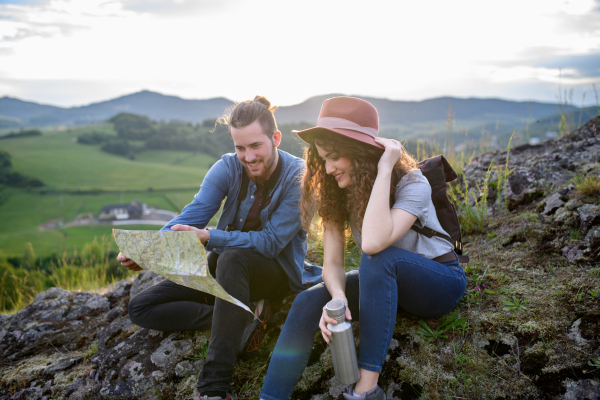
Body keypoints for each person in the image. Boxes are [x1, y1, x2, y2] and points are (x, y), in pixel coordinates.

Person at [258, 97, 467, 400]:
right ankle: (270, 397)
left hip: (439, 282)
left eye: (334, 158)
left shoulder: (413, 184)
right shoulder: (337, 193)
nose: (328, 169)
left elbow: (373, 244)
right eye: (322, 159)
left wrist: (384, 170)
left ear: (361, 153)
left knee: (377, 259)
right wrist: (339, 299)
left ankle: (365, 392)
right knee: (308, 302)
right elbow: (332, 264)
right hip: (386, 285)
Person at [117, 96, 319, 400]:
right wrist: (148, 247)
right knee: (141, 307)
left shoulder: (299, 178)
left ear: (275, 139)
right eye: (240, 148)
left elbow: (270, 242)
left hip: (274, 271)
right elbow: (194, 213)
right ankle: (241, 318)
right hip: (227, 269)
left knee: (233, 257)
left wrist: (211, 237)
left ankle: (214, 386)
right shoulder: (227, 167)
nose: (248, 157)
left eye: (255, 146)